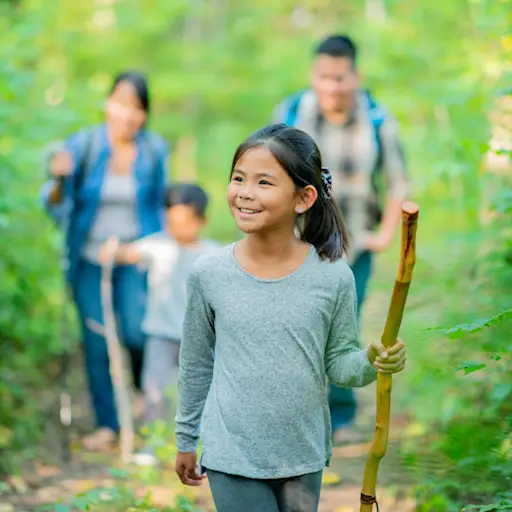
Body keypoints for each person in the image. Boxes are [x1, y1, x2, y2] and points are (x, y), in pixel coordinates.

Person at [174, 124, 406, 512]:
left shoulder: (332, 277)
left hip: (302, 455)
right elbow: (196, 363)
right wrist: (185, 437)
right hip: (232, 453)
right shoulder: (209, 273)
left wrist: (373, 360)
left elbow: (340, 364)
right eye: (238, 178)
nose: (245, 192)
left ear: (304, 198)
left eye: (264, 182)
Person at [273, 34, 409, 443]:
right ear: (314, 76)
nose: (331, 87)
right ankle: (296, 411)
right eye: (324, 77)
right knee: (296, 323)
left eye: (339, 77)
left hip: (356, 244)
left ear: (355, 75)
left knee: (343, 325)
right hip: (300, 241)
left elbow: (398, 182)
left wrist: (384, 234)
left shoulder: (379, 119)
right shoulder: (293, 112)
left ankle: (342, 417)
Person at [40, 71, 169, 451]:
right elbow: (54, 203)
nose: (128, 115)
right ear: (108, 104)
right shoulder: (85, 144)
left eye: (137, 108)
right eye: (121, 104)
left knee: (135, 330)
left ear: (145, 113)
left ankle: (141, 394)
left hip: (133, 257)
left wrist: (162, 251)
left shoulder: (153, 150)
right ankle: (107, 424)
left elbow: (160, 205)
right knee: (96, 341)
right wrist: (59, 178)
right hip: (89, 258)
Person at [99, 183, 220, 466]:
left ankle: (205, 447)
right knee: (154, 391)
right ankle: (154, 444)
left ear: (201, 221)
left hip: (200, 338)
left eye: (185, 222)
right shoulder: (157, 245)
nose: (177, 229)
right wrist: (113, 252)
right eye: (171, 222)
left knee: (202, 392)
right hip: (160, 335)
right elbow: (128, 253)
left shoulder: (215, 254)